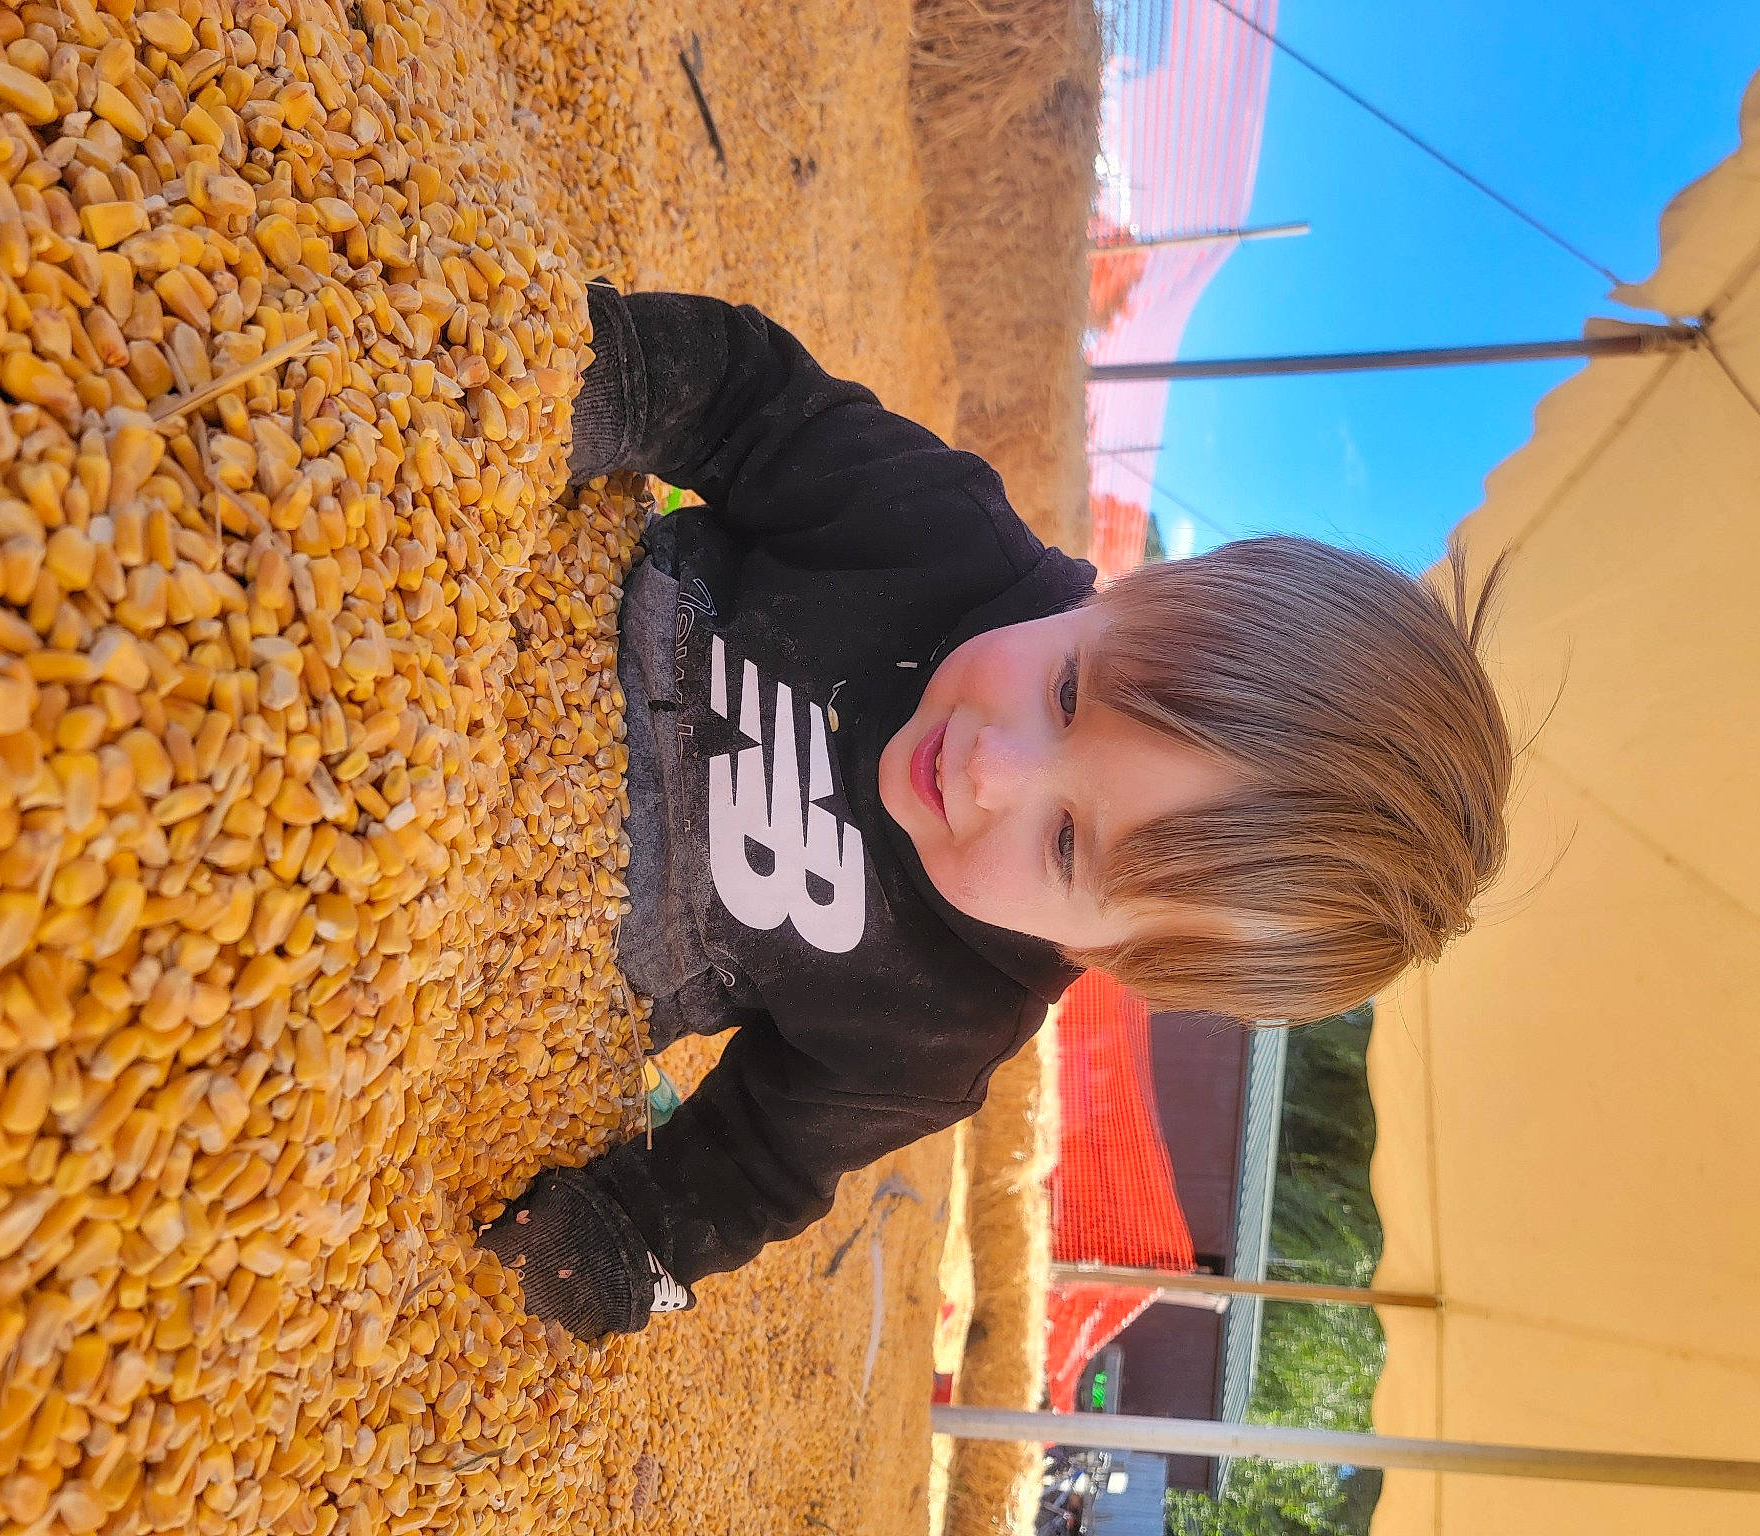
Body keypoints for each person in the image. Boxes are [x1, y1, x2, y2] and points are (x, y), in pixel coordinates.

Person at [475, 283, 1512, 1340]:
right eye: (1067, 693)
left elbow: (757, 1164)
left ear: (1107, 956)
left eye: (1066, 844)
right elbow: (748, 399)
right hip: (479, 593)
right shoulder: (933, 534)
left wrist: (618, 1243)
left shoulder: (938, 1026)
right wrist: (572, 386)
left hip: (483, 949)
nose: (990, 770)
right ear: (1116, 601)